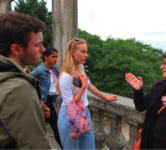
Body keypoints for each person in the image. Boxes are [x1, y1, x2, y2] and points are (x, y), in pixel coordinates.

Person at [56, 37, 118, 149]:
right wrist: (83, 86)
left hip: (84, 112)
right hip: (69, 116)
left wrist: (105, 97)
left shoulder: (80, 69)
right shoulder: (65, 76)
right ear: (72, 53)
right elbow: (71, 104)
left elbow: (90, 86)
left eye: (86, 52)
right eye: (83, 52)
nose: (86, 55)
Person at [0, 12, 51, 149]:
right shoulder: (19, 89)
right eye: (37, 45)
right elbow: (36, 146)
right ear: (16, 49)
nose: (43, 49)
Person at [29, 47, 62, 148]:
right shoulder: (39, 70)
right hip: (42, 103)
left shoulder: (54, 69)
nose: (56, 59)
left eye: (57, 57)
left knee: (57, 128)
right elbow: (27, 80)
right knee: (41, 131)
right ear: (46, 57)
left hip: (50, 102)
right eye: (53, 57)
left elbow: (62, 79)